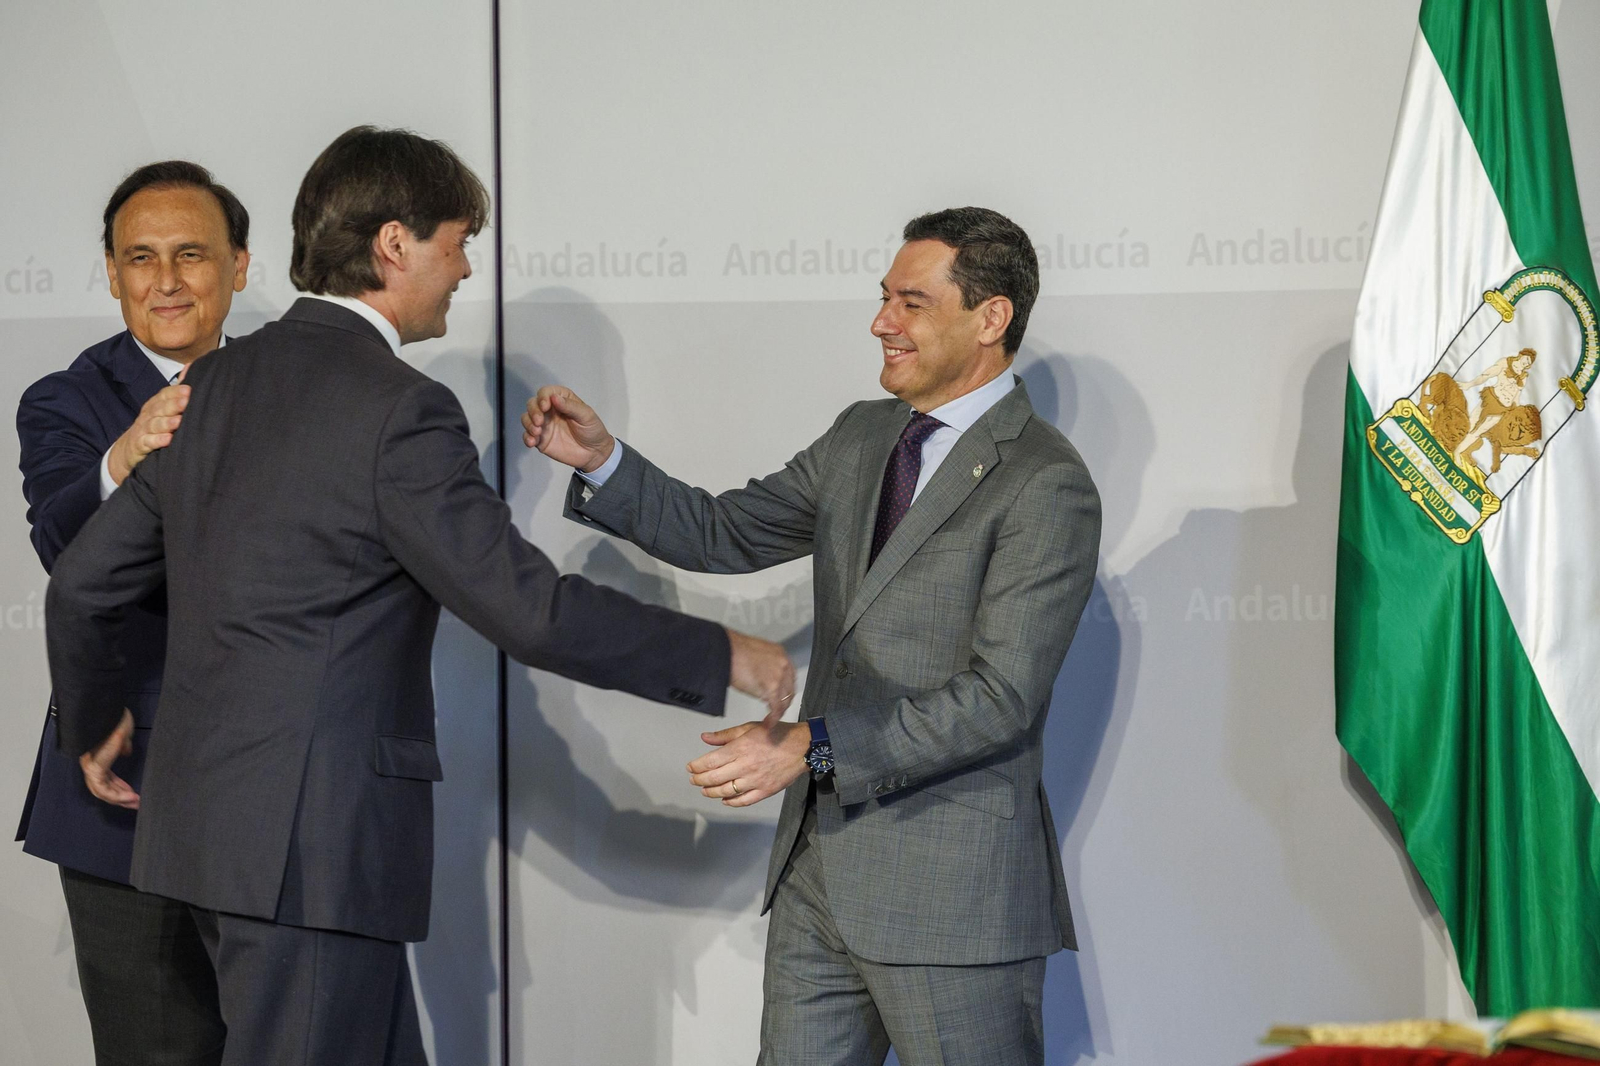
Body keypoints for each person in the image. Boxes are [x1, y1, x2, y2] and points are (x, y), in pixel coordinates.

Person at [44, 125, 793, 1066]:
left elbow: (79, 587)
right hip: (311, 857)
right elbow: (531, 610)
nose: (466, 268)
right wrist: (723, 653)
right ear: (395, 244)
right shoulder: (400, 408)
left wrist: (95, 722)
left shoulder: (214, 383)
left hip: (206, 847)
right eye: (458, 240)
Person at [525, 206, 1102, 1066]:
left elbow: (999, 700)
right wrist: (605, 461)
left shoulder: (1045, 483)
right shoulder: (863, 436)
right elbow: (723, 532)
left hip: (952, 897)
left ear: (991, 318)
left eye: (910, 302)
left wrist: (812, 749)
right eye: (883, 299)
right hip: (816, 879)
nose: (881, 322)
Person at [16, 159, 250, 1065]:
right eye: (139, 257)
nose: (165, 281)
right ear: (111, 273)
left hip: (274, 788)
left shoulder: (291, 386)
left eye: (191, 254)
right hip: (126, 791)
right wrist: (128, 450)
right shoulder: (65, 400)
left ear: (239, 264)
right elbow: (62, 545)